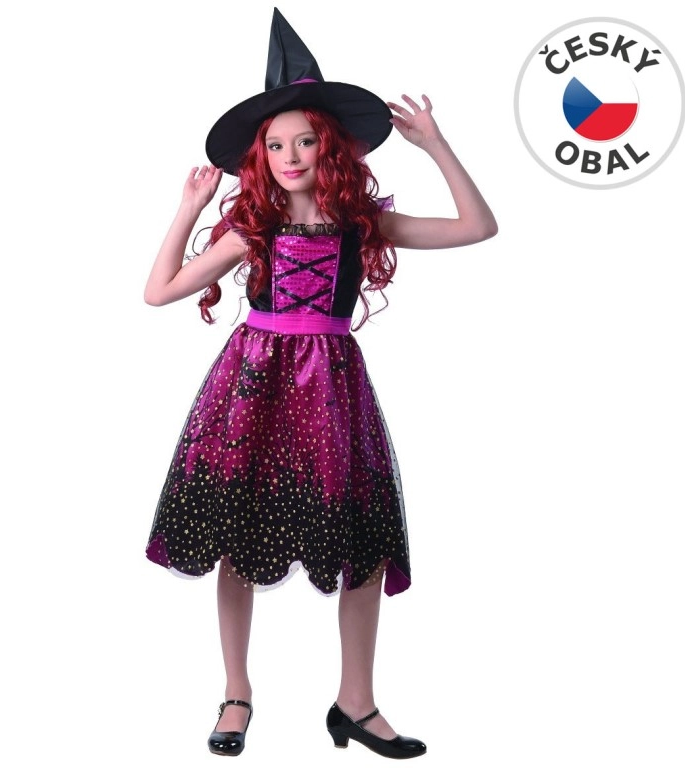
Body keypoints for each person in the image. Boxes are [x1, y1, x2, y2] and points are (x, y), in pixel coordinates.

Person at [142, 9, 496, 760]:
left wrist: (436, 145)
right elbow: (159, 290)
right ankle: (236, 692)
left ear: (330, 145)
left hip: (333, 390)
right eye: (275, 144)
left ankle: (356, 702)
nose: (290, 155)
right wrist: (188, 208)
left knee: (361, 542)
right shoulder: (253, 228)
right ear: (259, 156)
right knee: (237, 537)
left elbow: (477, 226)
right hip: (253, 386)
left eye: (304, 140)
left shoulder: (362, 223)